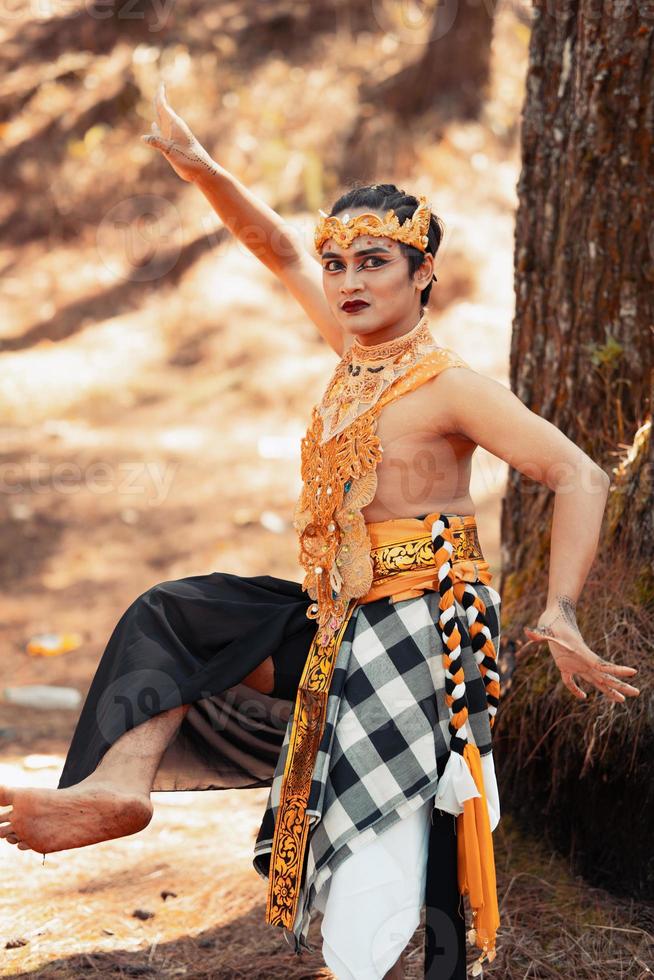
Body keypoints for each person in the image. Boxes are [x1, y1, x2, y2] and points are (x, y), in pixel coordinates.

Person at [0, 82, 640, 979]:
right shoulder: (355, 359)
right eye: (338, 264)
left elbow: (576, 471)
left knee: (383, 851)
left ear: (424, 275)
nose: (347, 280)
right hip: (336, 617)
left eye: (374, 262)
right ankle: (115, 788)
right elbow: (270, 245)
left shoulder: (447, 384)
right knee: (176, 615)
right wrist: (199, 166)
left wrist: (561, 608)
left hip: (418, 633)